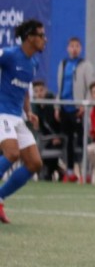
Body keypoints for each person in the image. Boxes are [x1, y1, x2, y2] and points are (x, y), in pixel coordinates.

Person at [0, 19, 47, 222]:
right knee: (12, 153)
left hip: (17, 116)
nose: (45, 39)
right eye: (41, 35)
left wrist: (28, 112)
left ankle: (0, 197)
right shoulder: (9, 55)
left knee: (35, 164)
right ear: (30, 37)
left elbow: (25, 90)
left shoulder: (33, 63)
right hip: (2, 113)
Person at [55, 36, 94, 182]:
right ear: (67, 48)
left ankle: (86, 172)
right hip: (65, 108)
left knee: (83, 141)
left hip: (79, 109)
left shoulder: (86, 65)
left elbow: (90, 87)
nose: (74, 49)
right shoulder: (63, 64)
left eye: (77, 46)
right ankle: (70, 171)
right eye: (71, 46)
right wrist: (58, 107)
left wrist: (85, 104)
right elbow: (60, 87)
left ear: (81, 48)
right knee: (68, 141)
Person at [31, 80, 65, 180]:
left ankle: (51, 172)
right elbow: (39, 128)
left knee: (49, 151)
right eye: (36, 91)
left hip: (59, 138)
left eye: (41, 90)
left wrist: (58, 136)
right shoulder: (34, 107)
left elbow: (61, 123)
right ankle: (56, 171)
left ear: (46, 90)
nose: (39, 93)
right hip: (45, 139)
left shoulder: (54, 104)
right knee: (37, 149)